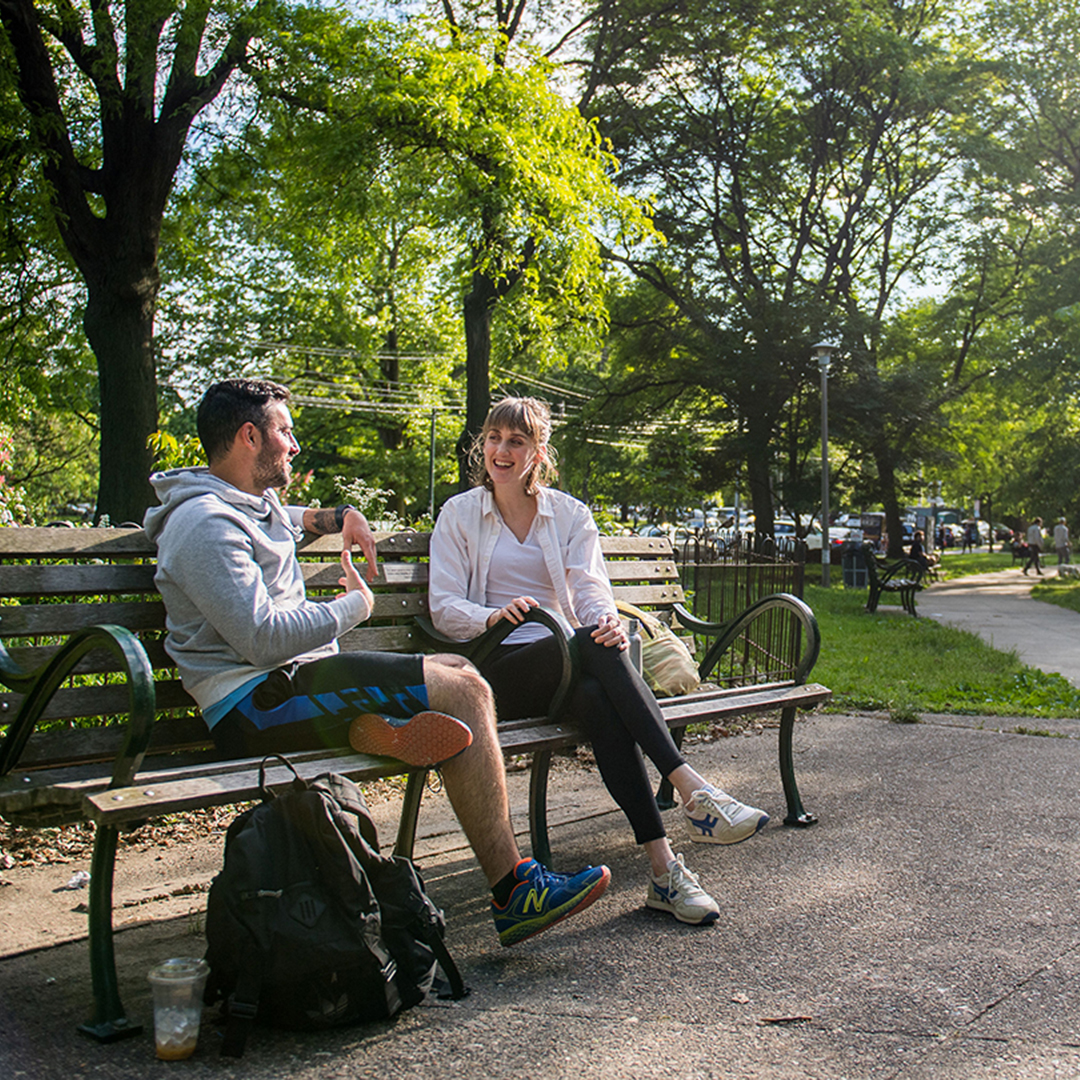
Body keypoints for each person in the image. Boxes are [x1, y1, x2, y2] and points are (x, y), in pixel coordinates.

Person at [143, 378, 609, 948]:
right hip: (255, 704)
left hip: (295, 684)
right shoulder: (204, 526)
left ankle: (370, 729)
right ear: (248, 436)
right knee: (467, 693)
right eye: (284, 432)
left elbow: (288, 518)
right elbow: (262, 639)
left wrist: (340, 515)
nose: (293, 445)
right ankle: (515, 893)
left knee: (460, 671)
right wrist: (352, 608)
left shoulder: (248, 503)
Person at [428, 396, 769, 928]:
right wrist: (496, 615)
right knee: (584, 645)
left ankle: (664, 870)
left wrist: (606, 620)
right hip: (499, 671)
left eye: (516, 441)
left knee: (596, 685)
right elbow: (444, 609)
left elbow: (589, 592)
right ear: (483, 446)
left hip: (568, 667)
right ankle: (693, 790)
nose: (501, 450)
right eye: (494, 438)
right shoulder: (461, 514)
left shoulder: (568, 514)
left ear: (537, 452)